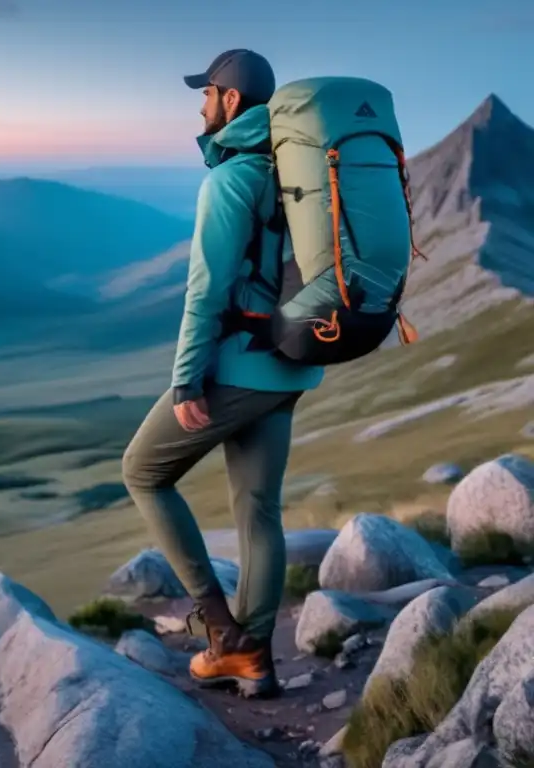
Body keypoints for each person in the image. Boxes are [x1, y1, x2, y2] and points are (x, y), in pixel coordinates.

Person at [120, 49, 324, 699]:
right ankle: (253, 659)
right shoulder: (303, 174)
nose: (201, 106)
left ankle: (221, 633)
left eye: (206, 94)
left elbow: (205, 290)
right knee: (259, 512)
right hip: (291, 366)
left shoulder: (231, 180)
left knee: (143, 472)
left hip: (236, 367)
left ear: (231, 102)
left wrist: (187, 381)